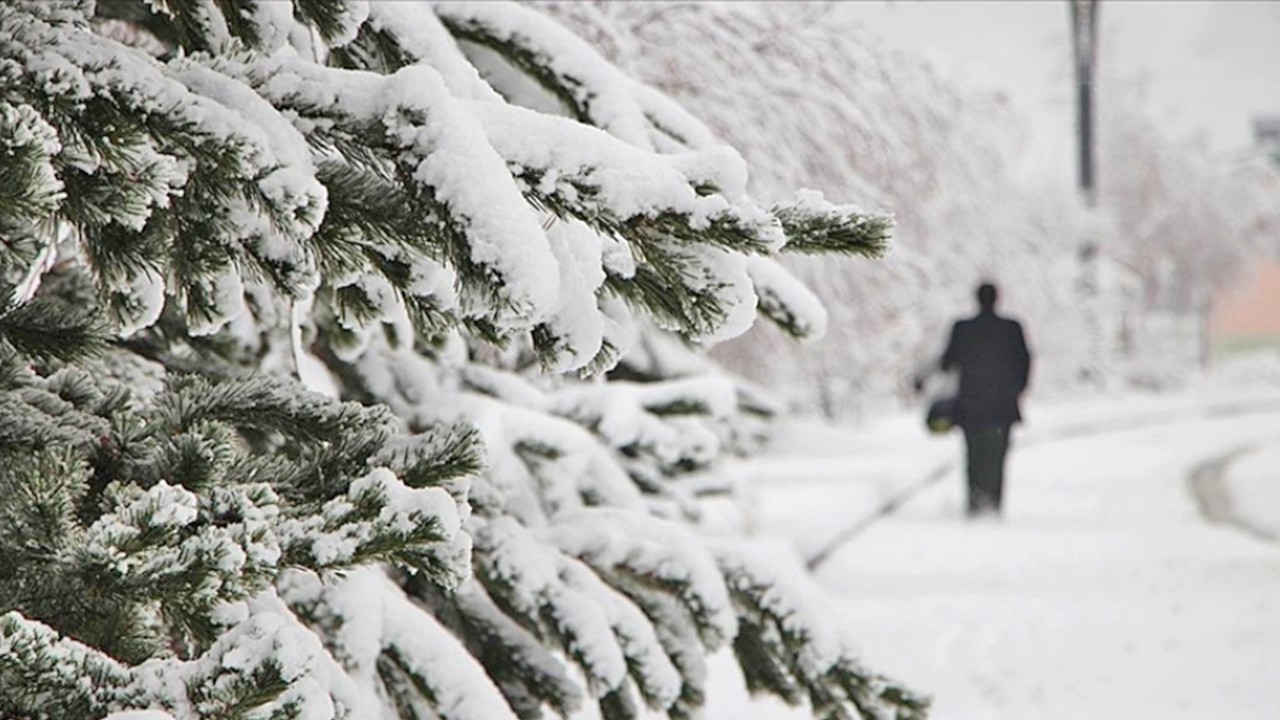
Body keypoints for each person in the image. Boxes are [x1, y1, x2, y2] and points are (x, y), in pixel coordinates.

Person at [921, 282, 1032, 517]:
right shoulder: (1012, 328)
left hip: (971, 404)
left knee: (973, 454)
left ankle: (975, 501)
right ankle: (994, 502)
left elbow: (948, 361)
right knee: (998, 455)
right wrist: (1016, 390)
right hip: (1002, 405)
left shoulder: (963, 328)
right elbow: (1024, 362)